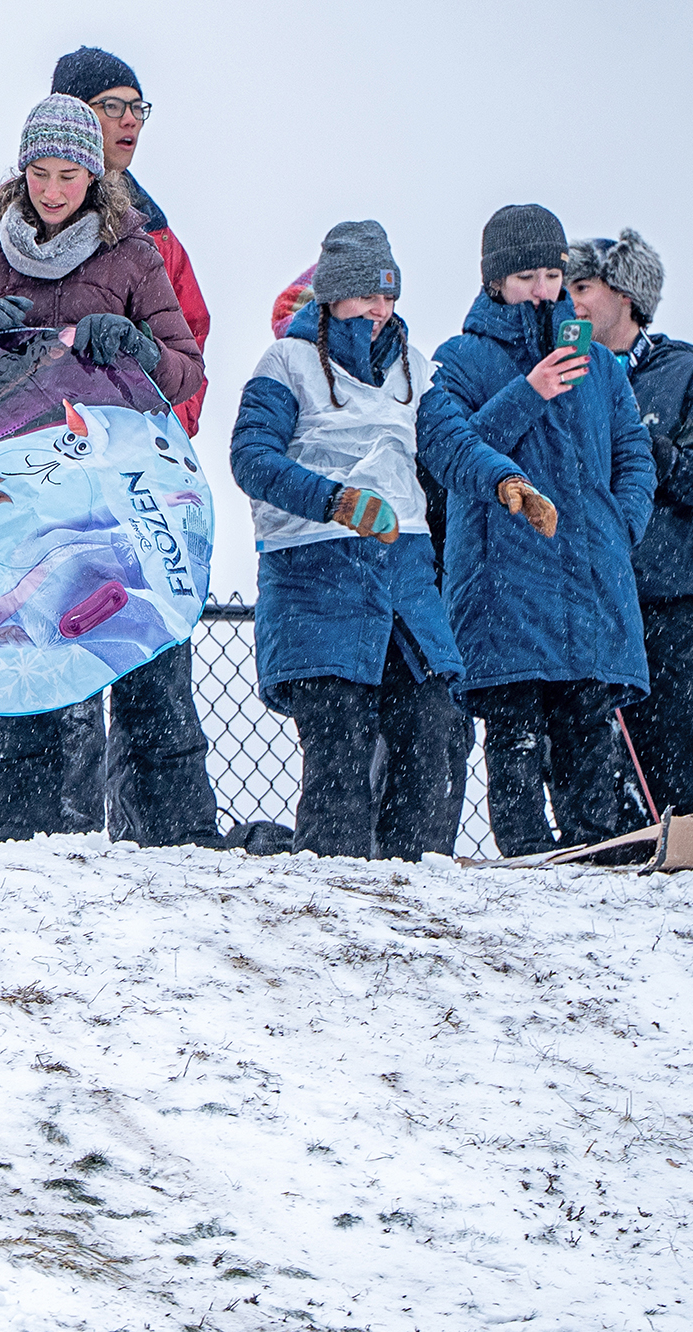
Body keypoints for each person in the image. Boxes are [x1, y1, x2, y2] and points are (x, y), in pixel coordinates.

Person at [0, 94, 220, 848]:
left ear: (94, 177)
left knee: (148, 659)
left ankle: (179, 849)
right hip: (15, 495)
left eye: (69, 173)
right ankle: (19, 848)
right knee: (24, 675)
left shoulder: (133, 256)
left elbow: (185, 370)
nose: (52, 190)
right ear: (22, 172)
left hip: (118, 488)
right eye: (39, 172)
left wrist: (136, 347)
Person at [417, 205, 656, 855]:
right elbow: (444, 447)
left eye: (553, 273)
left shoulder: (602, 368)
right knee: (515, 739)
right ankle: (526, 862)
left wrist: (618, 526)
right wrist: (531, 390)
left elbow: (634, 456)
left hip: (588, 586)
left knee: (588, 736)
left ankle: (596, 854)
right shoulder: (462, 358)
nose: (544, 288)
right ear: (496, 281)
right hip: (507, 589)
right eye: (527, 275)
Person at [229, 222, 466, 860]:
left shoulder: (417, 369)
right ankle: (331, 897)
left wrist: (504, 480)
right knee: (340, 739)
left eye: (390, 297)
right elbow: (251, 458)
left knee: (430, 724)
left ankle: (411, 880)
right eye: (367, 296)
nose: (381, 310)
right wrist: (333, 500)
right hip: (315, 576)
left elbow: (453, 444)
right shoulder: (285, 362)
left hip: (402, 579)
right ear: (332, 295)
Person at [565, 229, 693, 823]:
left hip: (667, 603)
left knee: (682, 759)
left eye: (582, 285)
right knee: (586, 766)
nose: (569, 299)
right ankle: (605, 859)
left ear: (625, 293)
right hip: (587, 602)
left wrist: (654, 452)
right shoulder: (566, 377)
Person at [45, 45, 211, 436]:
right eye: (114, 106)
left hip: (125, 446)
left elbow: (190, 337)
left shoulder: (157, 235)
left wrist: (165, 428)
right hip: (31, 441)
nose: (131, 121)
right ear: (75, 114)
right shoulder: (14, 215)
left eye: (138, 108)